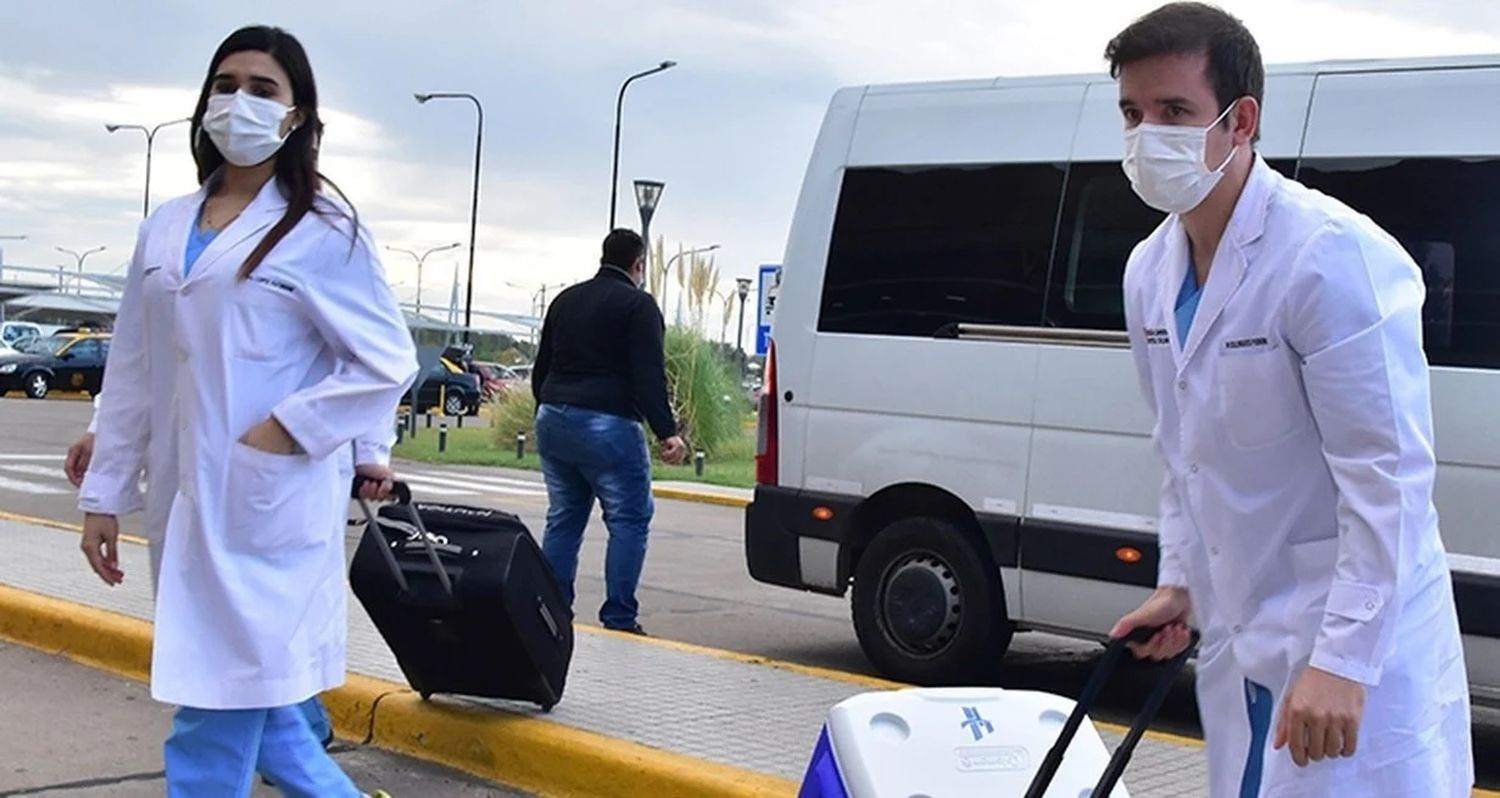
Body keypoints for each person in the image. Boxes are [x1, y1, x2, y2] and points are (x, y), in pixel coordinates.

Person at [1103, 4, 1472, 796]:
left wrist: (1343, 660)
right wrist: (1182, 584)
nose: (1146, 138)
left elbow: (1389, 474)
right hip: (1246, 630)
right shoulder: (1149, 273)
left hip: (1352, 639)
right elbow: (1183, 454)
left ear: (1240, 122)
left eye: (1174, 112)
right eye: (1132, 114)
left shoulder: (1329, 260)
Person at [76, 25, 416, 798]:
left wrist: (289, 429)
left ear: (296, 118)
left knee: (215, 712)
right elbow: (134, 367)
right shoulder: (165, 226)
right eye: (225, 84)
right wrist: (104, 493)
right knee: (267, 717)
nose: (239, 101)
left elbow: (385, 359)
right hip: (187, 498)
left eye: (263, 90)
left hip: (269, 502)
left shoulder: (324, 230)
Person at [69, 396, 397, 755]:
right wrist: (103, 438)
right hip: (191, 465)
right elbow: (138, 361)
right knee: (215, 643)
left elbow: (380, 362)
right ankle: (300, 741)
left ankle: (300, 741)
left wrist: (364, 452)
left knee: (249, 643)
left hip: (282, 472)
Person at [531, 229, 688, 636]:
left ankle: (551, 612)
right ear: (638, 265)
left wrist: (548, 409)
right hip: (609, 422)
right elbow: (647, 375)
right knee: (629, 519)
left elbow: (542, 366)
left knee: (564, 517)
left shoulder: (565, 300)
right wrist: (667, 431)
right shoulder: (639, 305)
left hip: (554, 415)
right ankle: (618, 617)